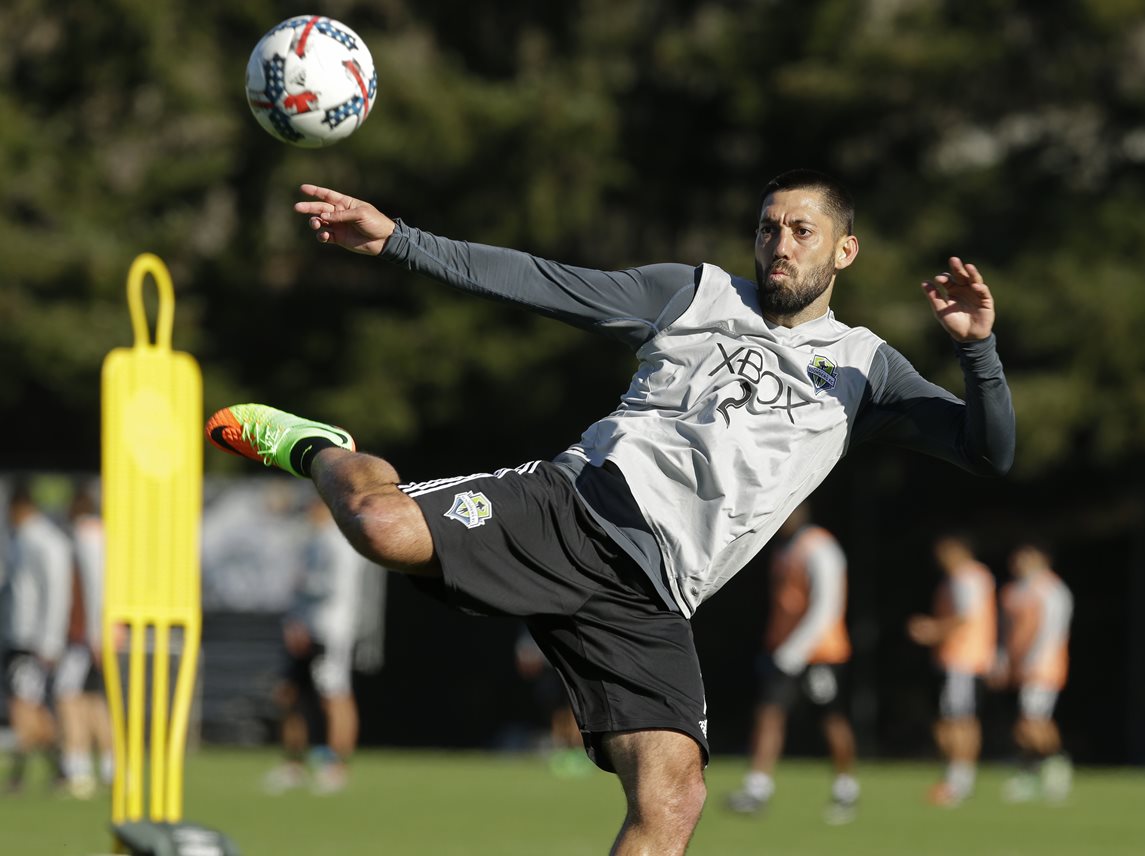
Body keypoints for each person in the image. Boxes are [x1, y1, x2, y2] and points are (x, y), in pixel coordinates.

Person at [205, 169, 1015, 854]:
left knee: (673, 804)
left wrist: (976, 351)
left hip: (657, 598)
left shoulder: (866, 369)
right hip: (576, 507)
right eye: (769, 228)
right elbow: (546, 281)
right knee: (381, 528)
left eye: (802, 230)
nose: (780, 244)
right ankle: (316, 445)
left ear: (845, 250)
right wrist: (400, 240)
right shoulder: (693, 294)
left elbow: (989, 451)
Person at [726, 504, 860, 824]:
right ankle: (757, 788)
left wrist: (795, 651)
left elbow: (827, 606)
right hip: (784, 651)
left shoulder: (820, 547)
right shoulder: (784, 548)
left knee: (831, 719)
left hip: (820, 653)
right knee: (769, 713)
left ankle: (845, 786)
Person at [263, 497, 364, 795]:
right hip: (305, 628)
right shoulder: (312, 541)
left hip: (329, 631)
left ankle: (336, 765)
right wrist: (295, 622)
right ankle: (293, 764)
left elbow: (329, 588)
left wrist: (304, 593)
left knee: (333, 695)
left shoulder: (339, 541)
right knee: (288, 695)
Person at [907, 534, 997, 807]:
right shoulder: (964, 577)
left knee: (958, 720)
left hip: (963, 658)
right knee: (954, 719)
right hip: (956, 659)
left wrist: (932, 630)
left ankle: (958, 781)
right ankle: (956, 777)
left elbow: (965, 616)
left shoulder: (967, 577)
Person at [2, 480, 72, 793]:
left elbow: (56, 592)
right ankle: (59, 766)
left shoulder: (45, 542)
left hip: (33, 639)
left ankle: (27, 771)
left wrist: (50, 640)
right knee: (29, 705)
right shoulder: (21, 539)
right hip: (18, 635)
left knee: (22, 705)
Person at [994, 542, 1073, 803]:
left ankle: (1053, 764)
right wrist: (1003, 659)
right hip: (1021, 666)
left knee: (1030, 720)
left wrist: (1036, 659)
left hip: (1044, 665)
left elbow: (1053, 629)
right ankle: (1036, 769)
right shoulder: (1013, 592)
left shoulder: (1052, 590)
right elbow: (1007, 632)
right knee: (1031, 720)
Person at [53, 484, 115, 799]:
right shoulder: (106, 535)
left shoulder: (85, 535)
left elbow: (92, 588)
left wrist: (94, 633)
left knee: (68, 697)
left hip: (87, 634)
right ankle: (110, 767)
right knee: (94, 700)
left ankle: (77, 769)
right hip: (102, 631)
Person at [513, 625, 591, 778]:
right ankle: (561, 750)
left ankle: (578, 751)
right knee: (556, 711)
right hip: (550, 667)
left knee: (575, 709)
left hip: (572, 665)